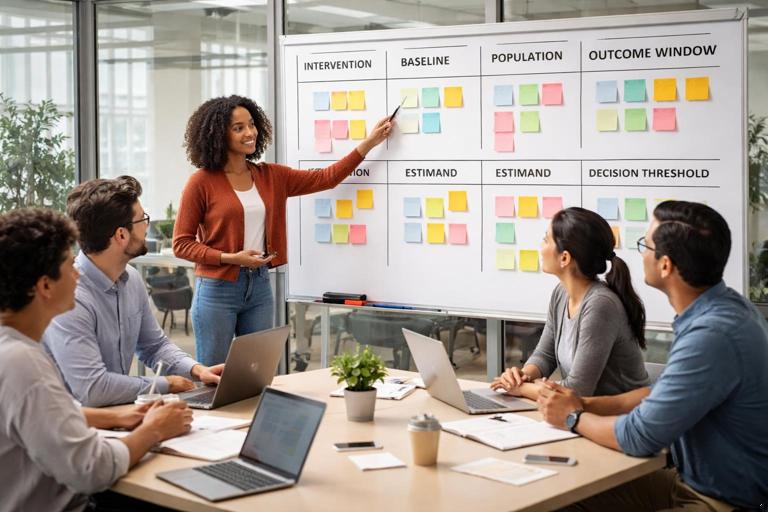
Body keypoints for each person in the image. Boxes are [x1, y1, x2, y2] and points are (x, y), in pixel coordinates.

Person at [539, 201, 768, 511]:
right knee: (561, 496)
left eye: (645, 246)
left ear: (665, 266)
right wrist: (582, 403)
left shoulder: (712, 335)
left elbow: (638, 436)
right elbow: (657, 394)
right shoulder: (723, 309)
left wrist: (572, 417)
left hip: (721, 502)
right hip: (688, 482)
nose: (641, 254)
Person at [173, 95, 392, 365]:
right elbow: (181, 244)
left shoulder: (271, 176)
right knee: (212, 373)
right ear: (219, 135)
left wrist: (369, 142)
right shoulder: (201, 183)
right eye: (238, 128)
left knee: (256, 370)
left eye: (251, 124)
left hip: (259, 286)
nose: (250, 132)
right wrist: (231, 258)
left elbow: (327, 178)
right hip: (217, 289)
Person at [0, 208, 193, 512]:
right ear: (45, 286)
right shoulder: (24, 364)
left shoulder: (13, 348)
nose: (77, 273)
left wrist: (117, 418)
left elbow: (48, 414)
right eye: (69, 265)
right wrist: (154, 430)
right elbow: (92, 470)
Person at [43, 176, 224, 407]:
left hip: (118, 413)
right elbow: (93, 389)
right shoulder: (71, 297)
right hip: (76, 421)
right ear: (121, 235)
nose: (147, 226)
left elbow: (154, 346)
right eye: (142, 219)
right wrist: (167, 384)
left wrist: (197, 370)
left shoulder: (132, 279)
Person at [491, 207, 649, 400]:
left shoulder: (600, 305)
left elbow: (577, 390)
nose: (541, 247)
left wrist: (522, 389)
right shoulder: (561, 293)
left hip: (619, 414)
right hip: (582, 410)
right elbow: (545, 355)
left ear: (564, 258)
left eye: (546, 240)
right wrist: (520, 377)